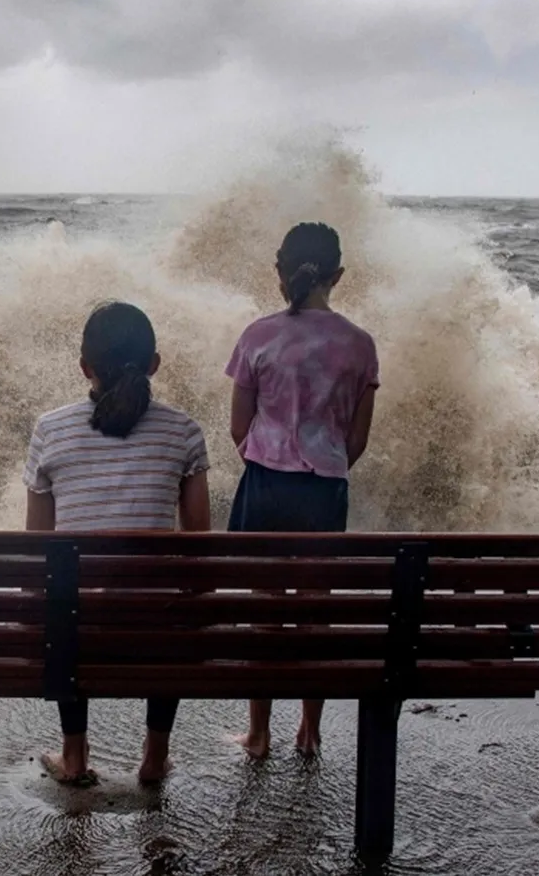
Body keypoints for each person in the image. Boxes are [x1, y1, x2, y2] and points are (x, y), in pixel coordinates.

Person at [24, 301, 212, 786]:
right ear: (154, 364)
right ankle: (153, 758)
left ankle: (74, 755)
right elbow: (198, 544)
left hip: (76, 629)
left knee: (62, 590)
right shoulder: (184, 431)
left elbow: (37, 545)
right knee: (174, 599)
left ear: (85, 367)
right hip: (156, 630)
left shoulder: (50, 429)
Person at [224, 222, 379, 759]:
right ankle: (310, 732)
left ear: (279, 272)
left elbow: (238, 429)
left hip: (265, 483)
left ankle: (258, 734)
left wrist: (271, 457)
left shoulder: (257, 335)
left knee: (264, 612)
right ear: (337, 275)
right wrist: (324, 463)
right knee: (316, 611)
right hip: (324, 489)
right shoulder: (360, 345)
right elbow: (356, 440)